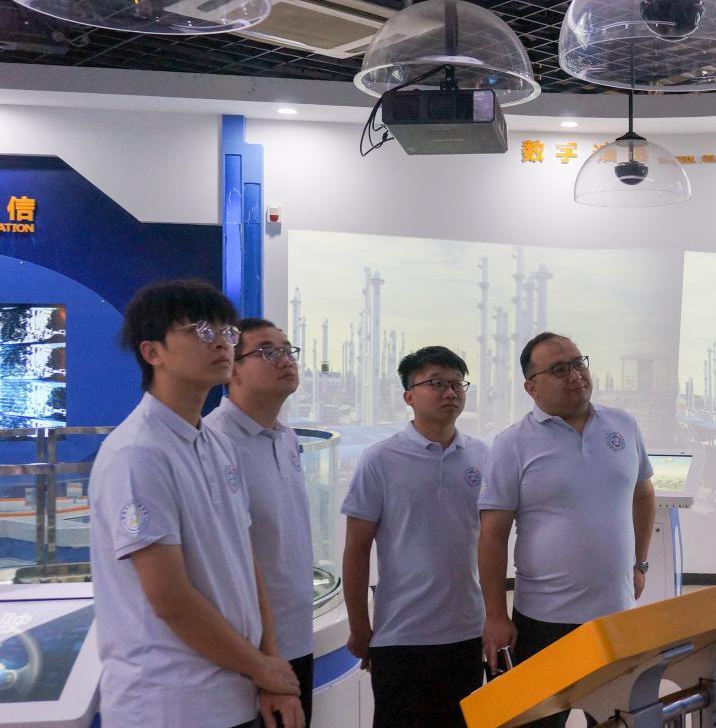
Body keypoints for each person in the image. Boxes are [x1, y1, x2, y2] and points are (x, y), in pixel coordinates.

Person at [90, 279, 303, 728]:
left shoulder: (215, 444)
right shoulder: (139, 452)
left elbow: (246, 561)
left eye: (226, 331)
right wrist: (261, 667)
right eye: (201, 330)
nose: (222, 342)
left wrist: (270, 669)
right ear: (153, 352)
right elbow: (169, 597)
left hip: (235, 693)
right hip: (169, 705)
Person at [478, 331, 657, 728]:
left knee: (615, 720)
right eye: (559, 369)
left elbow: (644, 494)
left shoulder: (623, 425)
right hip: (543, 621)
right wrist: (495, 615)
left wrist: (640, 563)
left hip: (615, 617)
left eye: (579, 363)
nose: (575, 375)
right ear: (532, 387)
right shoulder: (512, 444)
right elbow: (492, 535)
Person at [341, 346, 487, 728]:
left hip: (467, 631)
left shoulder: (483, 457)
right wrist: (359, 625)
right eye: (436, 383)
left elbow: (493, 542)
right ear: (409, 396)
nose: (450, 392)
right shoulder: (380, 460)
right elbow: (356, 549)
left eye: (457, 384)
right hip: (400, 634)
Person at [204, 318, 314, 726]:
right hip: (247, 655)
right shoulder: (213, 443)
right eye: (268, 351)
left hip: (297, 638)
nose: (285, 360)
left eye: (287, 350)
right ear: (232, 369)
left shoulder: (285, 437)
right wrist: (262, 663)